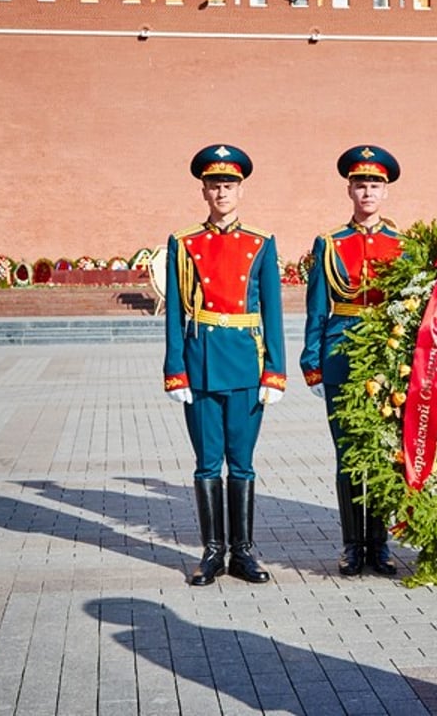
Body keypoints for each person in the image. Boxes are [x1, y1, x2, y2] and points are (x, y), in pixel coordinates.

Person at [163, 144, 287, 587]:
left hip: (245, 364)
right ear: (203, 191)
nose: (222, 192)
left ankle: (244, 552)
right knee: (205, 463)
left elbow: (272, 310)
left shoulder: (261, 242)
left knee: (243, 463)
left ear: (240, 191)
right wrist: (174, 369)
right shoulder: (184, 243)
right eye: (215, 185)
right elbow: (176, 312)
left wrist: (276, 371)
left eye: (229, 185)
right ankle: (213, 552)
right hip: (200, 364)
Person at [301, 145, 404, 576]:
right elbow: (315, 308)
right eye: (361, 184)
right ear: (349, 189)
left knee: (382, 450)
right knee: (347, 452)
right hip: (340, 350)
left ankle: (379, 546)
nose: (368, 192)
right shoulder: (329, 244)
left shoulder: (403, 245)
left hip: (385, 354)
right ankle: (352, 545)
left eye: (375, 185)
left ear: (385, 192)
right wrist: (312, 361)